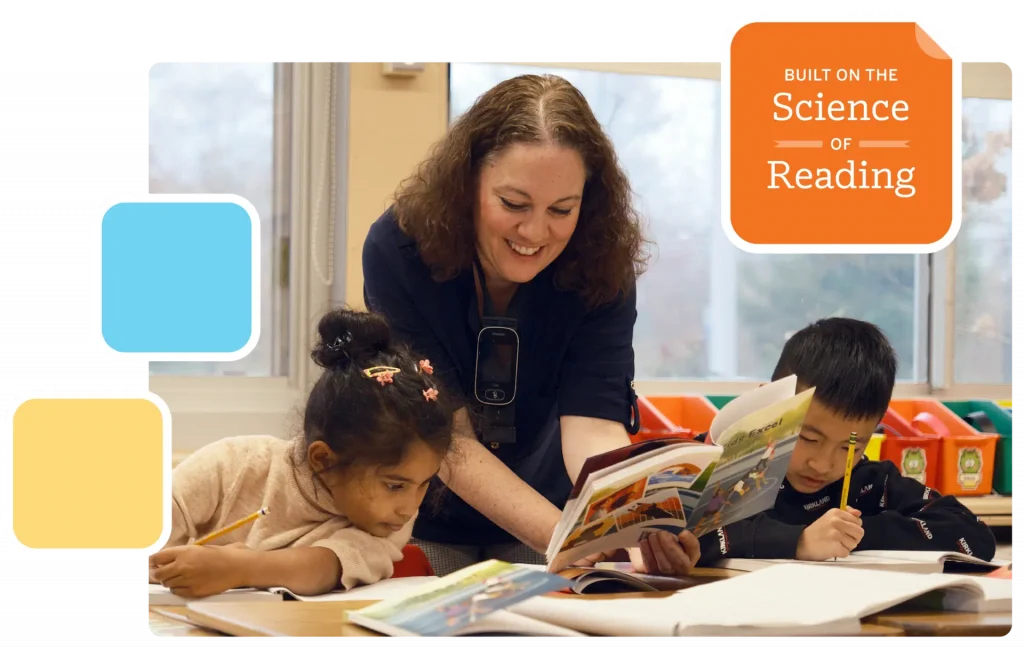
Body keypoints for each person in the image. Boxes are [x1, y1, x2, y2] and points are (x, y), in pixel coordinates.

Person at [361, 73, 700, 577]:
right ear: (467, 183)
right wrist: (569, 536)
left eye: (562, 209)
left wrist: (632, 523)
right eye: (514, 204)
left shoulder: (600, 261)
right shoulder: (400, 250)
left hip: (548, 500)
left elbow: (593, 425)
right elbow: (450, 442)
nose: (535, 231)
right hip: (424, 508)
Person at [147, 307, 458, 598]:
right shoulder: (234, 464)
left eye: (424, 484)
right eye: (395, 485)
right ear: (323, 459)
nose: (409, 508)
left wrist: (239, 568)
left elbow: (324, 567)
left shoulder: (388, 527)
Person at [695, 317, 997, 564]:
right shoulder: (721, 468)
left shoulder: (870, 484)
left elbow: (974, 536)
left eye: (850, 447)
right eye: (808, 438)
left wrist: (854, 533)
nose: (823, 464)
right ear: (769, 405)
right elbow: (687, 535)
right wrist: (798, 541)